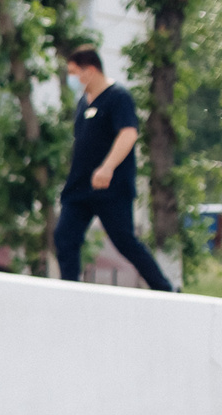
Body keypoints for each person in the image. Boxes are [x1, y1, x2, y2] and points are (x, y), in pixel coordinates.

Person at [53, 46, 174, 291]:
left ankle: (164, 289)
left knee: (124, 241)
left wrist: (107, 167)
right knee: (65, 237)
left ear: (91, 70)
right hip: (79, 187)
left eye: (75, 73)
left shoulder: (118, 96)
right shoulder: (83, 103)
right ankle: (69, 292)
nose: (73, 80)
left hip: (111, 187)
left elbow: (128, 134)